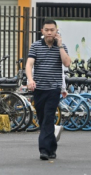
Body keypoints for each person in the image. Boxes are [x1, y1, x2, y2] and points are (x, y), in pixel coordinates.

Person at [25, 19, 71, 161]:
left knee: (49, 117)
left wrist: (60, 46)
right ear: (42, 31)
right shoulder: (35, 46)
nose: (50, 32)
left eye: (52, 30)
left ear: (56, 31)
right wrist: (30, 80)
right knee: (43, 119)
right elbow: (29, 64)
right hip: (39, 89)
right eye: (47, 30)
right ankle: (52, 148)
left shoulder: (61, 46)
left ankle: (44, 150)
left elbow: (67, 63)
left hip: (54, 89)